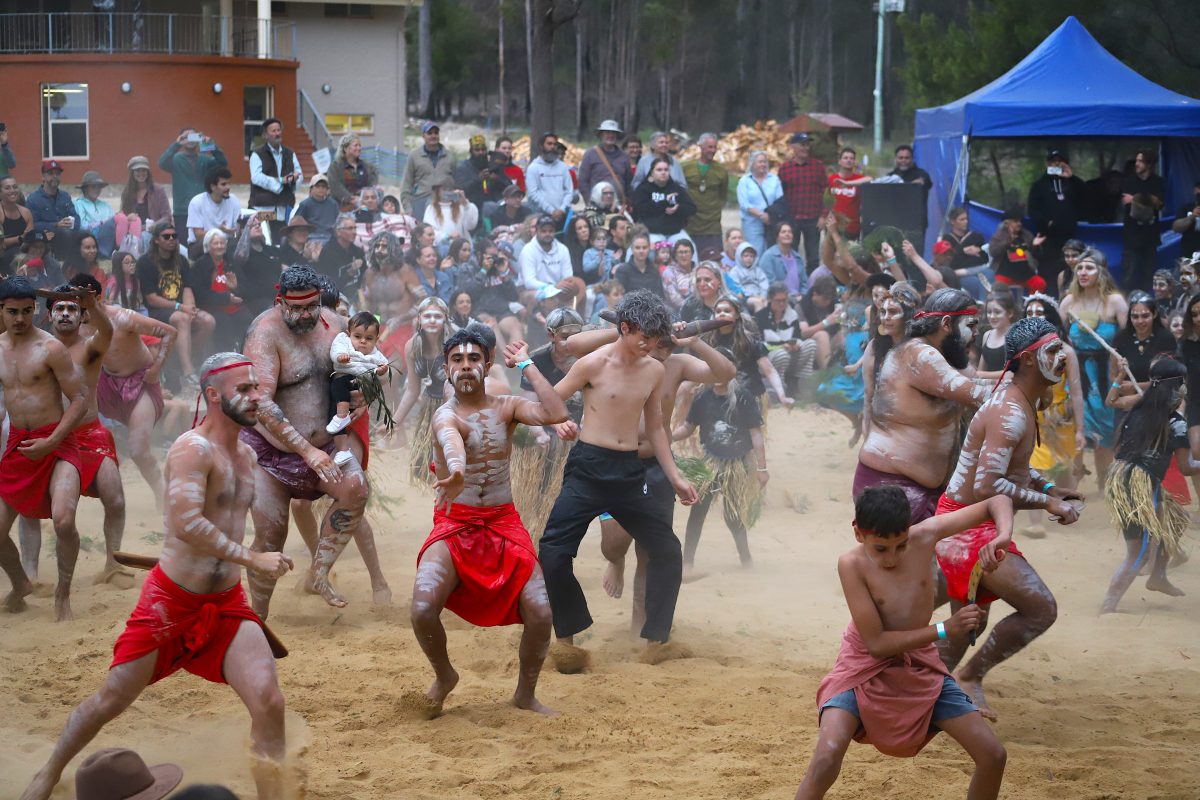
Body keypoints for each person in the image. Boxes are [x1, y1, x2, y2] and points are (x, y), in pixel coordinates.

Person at [18, 354, 297, 800]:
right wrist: (253, 558)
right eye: (242, 389)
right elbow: (186, 524)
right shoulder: (193, 449)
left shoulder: (246, 454)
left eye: (255, 387)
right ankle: (49, 772)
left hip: (226, 603)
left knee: (270, 702)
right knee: (111, 700)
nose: (254, 396)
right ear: (212, 396)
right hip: (171, 601)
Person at [792, 486, 1010, 800]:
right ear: (859, 535)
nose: (892, 557)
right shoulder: (850, 564)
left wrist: (1001, 536)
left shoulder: (926, 534)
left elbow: (997, 501)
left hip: (920, 667)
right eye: (881, 549)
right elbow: (877, 644)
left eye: (901, 545)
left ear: (910, 532)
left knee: (993, 755)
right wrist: (945, 629)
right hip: (862, 668)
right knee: (826, 756)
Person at [410, 328, 567, 716]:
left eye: (474, 359)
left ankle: (525, 693)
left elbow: (556, 413)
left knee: (542, 613)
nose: (466, 367)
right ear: (446, 369)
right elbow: (452, 440)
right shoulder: (444, 415)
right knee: (422, 608)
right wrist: (458, 470)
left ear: (487, 365)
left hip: (502, 522)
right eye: (457, 361)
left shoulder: (507, 407)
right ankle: (444, 675)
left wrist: (528, 366)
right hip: (455, 523)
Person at [538, 290, 699, 664]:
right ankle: (566, 640)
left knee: (667, 550)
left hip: (629, 473)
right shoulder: (592, 363)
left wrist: (674, 476)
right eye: (644, 336)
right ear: (623, 328)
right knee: (553, 552)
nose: (651, 345)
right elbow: (554, 401)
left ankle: (656, 640)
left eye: (656, 339)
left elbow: (657, 427)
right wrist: (558, 420)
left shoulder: (654, 369)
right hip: (588, 467)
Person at [934, 317, 1082, 720]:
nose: (1061, 358)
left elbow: (1013, 471)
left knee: (966, 624)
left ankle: (925, 689)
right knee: (1039, 607)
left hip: (972, 522)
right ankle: (966, 677)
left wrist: (1050, 490)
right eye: (1053, 351)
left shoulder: (1019, 404)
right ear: (1029, 361)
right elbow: (987, 485)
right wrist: (1047, 504)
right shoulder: (1010, 413)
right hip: (964, 528)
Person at [241, 266, 390, 614]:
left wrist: (363, 396)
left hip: (328, 443)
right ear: (281, 302)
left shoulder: (338, 327)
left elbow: (365, 369)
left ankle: (319, 571)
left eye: (313, 306)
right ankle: (257, 614)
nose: (307, 314)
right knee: (270, 535)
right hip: (271, 453)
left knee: (355, 490)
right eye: (298, 308)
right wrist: (306, 451)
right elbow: (260, 402)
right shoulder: (264, 333)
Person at [854, 289, 989, 524]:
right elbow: (982, 396)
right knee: (896, 560)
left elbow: (980, 384)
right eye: (972, 325)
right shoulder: (919, 354)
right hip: (890, 487)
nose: (976, 333)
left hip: (929, 490)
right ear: (947, 324)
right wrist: (1028, 386)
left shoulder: (948, 357)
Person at [0, 278, 92, 620]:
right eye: (12, 312)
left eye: (26, 311)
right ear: (2, 311)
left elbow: (80, 399)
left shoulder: (50, 347)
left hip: (58, 442)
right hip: (19, 445)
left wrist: (53, 441)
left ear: (34, 309)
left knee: (64, 521)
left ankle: (62, 594)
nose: (20, 318)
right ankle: (21, 584)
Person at [37, 278, 126, 590]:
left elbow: (109, 332)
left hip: (91, 434)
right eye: (59, 308)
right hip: (52, 438)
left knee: (115, 498)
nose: (64, 313)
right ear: (49, 315)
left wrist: (94, 305)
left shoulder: (90, 348)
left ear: (81, 315)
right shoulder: (37, 348)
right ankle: (31, 573)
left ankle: (113, 561)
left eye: (72, 309)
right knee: (46, 512)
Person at [1102, 356, 1196, 613]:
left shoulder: (1140, 407)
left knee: (1175, 519)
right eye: (1183, 384)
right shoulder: (1175, 422)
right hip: (1137, 483)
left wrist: (1119, 378)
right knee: (1138, 553)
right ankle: (1108, 607)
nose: (1185, 389)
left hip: (1121, 478)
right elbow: (1187, 466)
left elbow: (1112, 401)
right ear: (1176, 388)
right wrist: (1120, 375)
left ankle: (1158, 576)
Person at [674, 352, 767, 568]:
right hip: (709, 464)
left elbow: (756, 434)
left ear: (731, 369)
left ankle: (746, 560)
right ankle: (687, 562)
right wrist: (666, 436)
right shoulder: (702, 398)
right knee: (698, 511)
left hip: (738, 463)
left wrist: (762, 468)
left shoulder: (743, 396)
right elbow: (688, 428)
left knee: (733, 516)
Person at [94, 283, 177, 502]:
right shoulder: (73, 322)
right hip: (106, 384)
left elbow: (170, 332)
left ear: (97, 300)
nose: (74, 312)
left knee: (139, 450)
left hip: (140, 383)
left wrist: (157, 369)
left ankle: (162, 494)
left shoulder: (122, 318)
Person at [1059, 248, 1128, 489]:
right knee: (1073, 430)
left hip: (1106, 376)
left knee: (1105, 435)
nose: (1083, 272)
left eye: (1089, 267)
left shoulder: (1115, 301)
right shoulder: (1069, 301)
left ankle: (1104, 487)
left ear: (1101, 271)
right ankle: (1072, 489)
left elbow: (1129, 338)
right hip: (1075, 376)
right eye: (1079, 268)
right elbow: (1056, 338)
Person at [1021, 293, 1086, 539]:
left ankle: (1069, 508)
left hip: (1061, 418)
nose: (1034, 317)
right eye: (1030, 313)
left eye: (1039, 313)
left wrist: (1080, 429)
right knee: (1034, 467)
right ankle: (1036, 521)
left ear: (1050, 317)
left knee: (1064, 468)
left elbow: (1077, 393)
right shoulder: (1022, 348)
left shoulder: (1065, 351)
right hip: (1033, 415)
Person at [136, 220, 214, 383]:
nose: (171, 239)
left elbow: (187, 288)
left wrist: (190, 308)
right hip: (157, 311)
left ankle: (183, 360)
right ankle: (187, 371)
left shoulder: (181, 261)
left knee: (208, 321)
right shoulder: (145, 262)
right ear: (156, 239)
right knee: (182, 318)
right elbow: (151, 298)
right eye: (166, 236)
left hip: (180, 307)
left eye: (174, 236)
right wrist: (181, 307)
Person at [394, 296, 454, 485]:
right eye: (427, 316)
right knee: (422, 466)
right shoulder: (412, 346)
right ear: (419, 319)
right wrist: (394, 421)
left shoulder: (454, 344)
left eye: (437, 316)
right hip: (429, 407)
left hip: (454, 407)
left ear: (445, 317)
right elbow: (412, 390)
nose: (432, 320)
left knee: (450, 462)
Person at [327, 311, 389, 468]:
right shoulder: (343, 342)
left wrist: (382, 371)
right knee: (334, 405)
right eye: (358, 337)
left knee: (339, 385)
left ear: (376, 339)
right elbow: (336, 350)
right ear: (349, 335)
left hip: (362, 385)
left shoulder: (376, 354)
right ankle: (343, 449)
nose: (363, 342)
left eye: (369, 339)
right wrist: (341, 356)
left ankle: (342, 417)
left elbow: (385, 370)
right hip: (343, 380)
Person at [1027, 148, 1085, 294]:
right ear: (1048, 163)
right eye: (1053, 161)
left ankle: (1069, 296)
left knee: (1069, 268)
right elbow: (1033, 209)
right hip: (1049, 237)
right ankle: (1049, 301)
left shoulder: (1071, 183)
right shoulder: (1039, 185)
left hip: (1069, 236)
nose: (1056, 163)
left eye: (1059, 161)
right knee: (1049, 270)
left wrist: (1071, 178)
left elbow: (1086, 198)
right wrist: (1046, 223)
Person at [190, 229, 251, 350]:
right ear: (208, 246)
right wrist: (226, 298)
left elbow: (245, 289)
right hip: (211, 308)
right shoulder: (200, 265)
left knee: (246, 318)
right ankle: (226, 358)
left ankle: (246, 353)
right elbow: (200, 295)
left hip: (233, 307)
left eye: (222, 243)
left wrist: (235, 288)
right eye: (215, 243)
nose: (219, 246)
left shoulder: (231, 262)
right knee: (223, 321)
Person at [159, 128, 228, 235]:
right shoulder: (176, 159)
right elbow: (162, 163)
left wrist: (211, 146)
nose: (190, 140)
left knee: (205, 242)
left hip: (204, 209)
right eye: (186, 137)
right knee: (184, 245)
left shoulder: (205, 160)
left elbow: (222, 163)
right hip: (182, 211)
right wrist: (176, 144)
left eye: (193, 137)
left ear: (198, 139)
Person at [1120, 149, 1168, 292]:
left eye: (1140, 161)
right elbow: (1132, 209)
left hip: (1150, 236)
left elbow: (1159, 204)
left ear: (1149, 164)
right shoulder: (1129, 182)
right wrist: (1146, 201)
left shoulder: (1158, 182)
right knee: (1130, 275)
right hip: (1132, 236)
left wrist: (1134, 199)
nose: (1137, 164)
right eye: (1136, 161)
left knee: (1149, 274)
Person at [778, 133, 826, 269]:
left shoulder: (818, 167)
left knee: (813, 257)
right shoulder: (785, 169)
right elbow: (779, 195)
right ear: (793, 146)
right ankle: (794, 285)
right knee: (790, 255)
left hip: (813, 219)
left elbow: (827, 193)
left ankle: (811, 287)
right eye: (802, 145)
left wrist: (823, 216)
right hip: (792, 219)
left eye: (807, 145)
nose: (805, 148)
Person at [248, 118, 302, 225]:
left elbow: (299, 174)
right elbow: (256, 177)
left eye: (279, 130)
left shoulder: (290, 153)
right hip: (264, 207)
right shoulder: (257, 153)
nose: (277, 133)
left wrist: (293, 181)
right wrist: (281, 181)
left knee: (281, 237)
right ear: (265, 135)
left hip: (284, 207)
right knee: (266, 236)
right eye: (273, 131)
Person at [682, 133, 728, 255]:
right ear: (701, 147)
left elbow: (723, 195)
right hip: (690, 223)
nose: (712, 150)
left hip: (712, 224)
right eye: (709, 147)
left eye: (714, 147)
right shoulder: (686, 167)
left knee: (714, 259)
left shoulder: (721, 170)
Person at [520, 214, 583, 304]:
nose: (547, 234)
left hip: (558, 288)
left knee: (579, 286)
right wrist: (553, 286)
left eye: (550, 231)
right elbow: (529, 282)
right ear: (537, 231)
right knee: (543, 298)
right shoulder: (528, 250)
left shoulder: (562, 249)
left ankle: (574, 316)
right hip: (532, 290)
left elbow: (568, 276)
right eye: (543, 231)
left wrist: (562, 286)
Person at [115, 156, 171, 255]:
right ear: (132, 173)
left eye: (144, 170)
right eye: (137, 170)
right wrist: (127, 218)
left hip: (153, 231)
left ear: (148, 172)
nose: (141, 173)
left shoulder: (158, 190)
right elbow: (123, 216)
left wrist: (155, 225)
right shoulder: (127, 192)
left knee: (145, 236)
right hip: (133, 232)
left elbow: (167, 216)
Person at [400, 121, 456, 220]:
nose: (433, 136)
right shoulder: (414, 156)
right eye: (429, 133)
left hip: (445, 202)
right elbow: (406, 185)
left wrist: (456, 200)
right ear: (423, 136)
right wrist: (408, 208)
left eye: (436, 133)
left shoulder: (449, 156)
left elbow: (458, 183)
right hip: (421, 201)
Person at [632, 157, 696, 242]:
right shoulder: (643, 189)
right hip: (651, 232)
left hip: (675, 232)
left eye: (666, 170)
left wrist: (677, 208)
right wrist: (664, 203)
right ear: (652, 173)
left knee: (690, 249)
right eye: (659, 170)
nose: (663, 172)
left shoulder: (677, 188)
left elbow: (692, 208)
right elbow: (640, 208)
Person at [26, 160, 79, 256]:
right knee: (64, 233)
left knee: (86, 234)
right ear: (43, 177)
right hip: (46, 236)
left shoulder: (65, 196)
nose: (55, 177)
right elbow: (33, 225)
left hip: (66, 233)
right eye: (50, 173)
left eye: (57, 174)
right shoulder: (33, 199)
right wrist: (56, 225)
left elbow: (76, 217)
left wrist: (71, 223)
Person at [988, 208, 1045, 293]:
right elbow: (993, 252)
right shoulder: (999, 236)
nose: (1019, 224)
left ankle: (1031, 303)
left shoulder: (1026, 235)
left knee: (1040, 283)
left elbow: (1036, 256)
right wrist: (1007, 242)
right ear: (1006, 223)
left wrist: (1035, 246)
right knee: (998, 287)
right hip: (1005, 274)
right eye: (1015, 221)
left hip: (1026, 274)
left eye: (1020, 221)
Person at [525, 132, 575, 226]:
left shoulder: (563, 167)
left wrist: (562, 209)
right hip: (541, 215)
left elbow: (569, 191)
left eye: (554, 144)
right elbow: (533, 193)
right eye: (549, 144)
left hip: (562, 215)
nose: (552, 147)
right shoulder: (533, 168)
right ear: (541, 146)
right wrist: (551, 210)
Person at [578, 119, 632, 207]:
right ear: (601, 135)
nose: (610, 135)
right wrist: (589, 201)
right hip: (597, 205)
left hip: (619, 205)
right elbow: (583, 181)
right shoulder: (590, 154)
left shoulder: (624, 157)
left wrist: (628, 202)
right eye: (607, 132)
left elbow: (629, 182)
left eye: (613, 133)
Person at [737, 151, 783, 255]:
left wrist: (770, 215)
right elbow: (744, 204)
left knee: (772, 252)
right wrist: (761, 215)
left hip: (771, 222)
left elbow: (780, 200)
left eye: (765, 162)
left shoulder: (774, 179)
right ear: (752, 164)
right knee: (755, 252)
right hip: (752, 223)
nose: (763, 164)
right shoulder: (744, 181)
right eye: (760, 162)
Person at [940, 207, 991, 299]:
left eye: (966, 219)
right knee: (978, 283)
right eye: (962, 219)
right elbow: (951, 262)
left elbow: (985, 258)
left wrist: (979, 250)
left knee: (990, 273)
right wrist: (963, 251)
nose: (965, 221)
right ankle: (983, 306)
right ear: (952, 221)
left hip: (980, 269)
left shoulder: (976, 237)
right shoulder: (947, 240)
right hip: (961, 275)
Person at [186, 166, 240, 247]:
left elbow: (238, 228)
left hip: (226, 243)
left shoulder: (233, 200)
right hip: (201, 245)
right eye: (224, 184)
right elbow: (199, 235)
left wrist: (236, 230)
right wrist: (219, 231)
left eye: (229, 183)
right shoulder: (197, 202)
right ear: (213, 186)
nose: (228, 187)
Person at [889, 145, 932, 246]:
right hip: (894, 223)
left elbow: (925, 182)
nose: (904, 160)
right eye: (901, 158)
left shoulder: (922, 174)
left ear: (912, 159)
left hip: (916, 224)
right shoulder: (890, 176)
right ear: (896, 159)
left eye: (907, 158)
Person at [316, 213, 366, 293]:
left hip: (357, 296)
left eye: (355, 228)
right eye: (350, 228)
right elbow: (327, 286)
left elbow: (364, 277)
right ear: (338, 232)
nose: (354, 232)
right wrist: (349, 273)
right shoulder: (327, 253)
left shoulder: (358, 251)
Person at [326, 133, 378, 210]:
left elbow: (372, 183)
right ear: (345, 148)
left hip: (363, 207)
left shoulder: (367, 166)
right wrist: (350, 198)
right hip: (341, 207)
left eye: (360, 145)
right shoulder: (335, 166)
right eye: (356, 145)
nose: (359, 148)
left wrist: (364, 198)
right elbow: (335, 186)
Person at [757, 221, 808, 299]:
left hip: (799, 299)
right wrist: (791, 298)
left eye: (790, 232)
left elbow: (804, 283)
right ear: (777, 236)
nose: (787, 234)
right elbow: (770, 285)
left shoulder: (798, 258)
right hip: (779, 300)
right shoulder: (768, 257)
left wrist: (803, 296)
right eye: (783, 232)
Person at [828, 147, 870, 238]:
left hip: (852, 227)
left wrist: (847, 183)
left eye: (851, 158)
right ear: (839, 161)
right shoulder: (831, 179)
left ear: (855, 162)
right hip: (834, 227)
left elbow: (870, 179)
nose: (849, 160)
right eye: (845, 158)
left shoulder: (859, 179)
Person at [74, 170, 118, 257]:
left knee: (120, 219)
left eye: (99, 187)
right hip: (91, 236)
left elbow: (114, 222)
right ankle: (103, 252)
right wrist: (101, 224)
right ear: (85, 188)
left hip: (109, 236)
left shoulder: (105, 205)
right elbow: (82, 225)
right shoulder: (79, 204)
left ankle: (119, 250)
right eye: (94, 187)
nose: (97, 190)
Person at [423, 179, 479, 246]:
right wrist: (447, 236)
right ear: (438, 191)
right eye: (444, 189)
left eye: (450, 190)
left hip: (462, 247)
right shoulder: (431, 208)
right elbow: (430, 231)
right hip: (442, 247)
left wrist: (465, 203)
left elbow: (471, 225)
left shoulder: (462, 206)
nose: (447, 192)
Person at [976, 291, 1018, 379]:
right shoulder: (987, 335)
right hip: (988, 388)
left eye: (997, 312)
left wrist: (979, 374)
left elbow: (1013, 373)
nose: (992, 316)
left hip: (1009, 389)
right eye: (989, 312)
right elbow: (982, 369)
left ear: (1010, 313)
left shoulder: (1016, 336)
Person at [615, 231, 665, 299]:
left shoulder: (654, 271)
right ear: (632, 249)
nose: (641, 251)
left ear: (649, 249)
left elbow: (660, 296)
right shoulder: (622, 271)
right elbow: (619, 297)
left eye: (644, 247)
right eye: (637, 248)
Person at [1, 175, 33, 273]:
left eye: (15, 187)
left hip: (25, 251)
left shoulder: (26, 212)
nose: (12, 190)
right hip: (4, 255)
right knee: (20, 256)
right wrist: (20, 238)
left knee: (48, 259)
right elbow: (1, 243)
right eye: (7, 188)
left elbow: (31, 237)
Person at [295, 174, 340, 243]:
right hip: (311, 238)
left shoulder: (333, 204)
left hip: (330, 237)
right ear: (311, 188)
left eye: (324, 186)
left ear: (328, 189)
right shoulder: (305, 204)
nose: (321, 189)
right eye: (318, 186)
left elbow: (338, 222)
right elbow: (296, 224)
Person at [1171, 179, 1200, 261]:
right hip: (1189, 251)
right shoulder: (1186, 207)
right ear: (1195, 190)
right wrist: (1191, 217)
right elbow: (1176, 227)